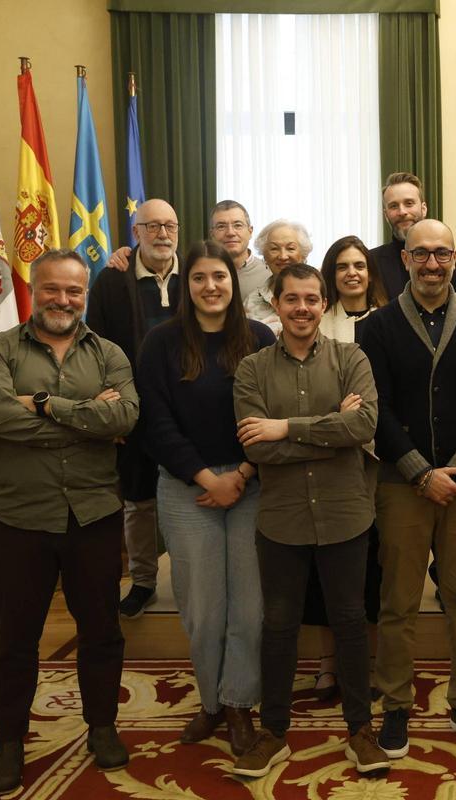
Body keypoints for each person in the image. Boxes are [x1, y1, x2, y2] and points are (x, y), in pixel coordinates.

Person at [0, 249, 140, 795]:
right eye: (52, 289)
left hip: (93, 513)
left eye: (74, 291)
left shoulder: (109, 353)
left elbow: (125, 416)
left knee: (102, 631)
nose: (63, 300)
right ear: (33, 290)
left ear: (85, 294)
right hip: (19, 516)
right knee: (13, 638)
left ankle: (102, 727)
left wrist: (43, 404)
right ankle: (9, 743)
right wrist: (88, 418)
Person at [231, 263, 388, 777]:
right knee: (278, 625)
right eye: (292, 299)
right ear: (275, 304)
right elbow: (257, 449)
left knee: (350, 622)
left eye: (311, 299)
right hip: (282, 519)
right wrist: (331, 430)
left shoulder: (351, 357)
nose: (302, 308)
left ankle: (360, 730)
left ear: (324, 304)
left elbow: (364, 425)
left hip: (345, 514)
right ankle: (273, 733)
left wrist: (284, 428)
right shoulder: (252, 369)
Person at [359, 219, 456, 760]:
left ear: (454, 259)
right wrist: (421, 473)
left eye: (442, 254)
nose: (431, 264)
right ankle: (396, 704)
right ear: (404, 259)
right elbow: (376, 410)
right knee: (398, 600)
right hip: (402, 484)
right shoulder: (375, 327)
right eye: (420, 253)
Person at [136, 241, 275, 758]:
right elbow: (155, 422)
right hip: (184, 488)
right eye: (199, 278)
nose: (211, 286)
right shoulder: (160, 342)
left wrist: (241, 473)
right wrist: (205, 478)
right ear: (186, 285)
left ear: (233, 282)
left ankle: (238, 704)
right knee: (203, 609)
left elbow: (272, 411)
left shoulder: (259, 338)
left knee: (249, 607)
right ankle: (211, 702)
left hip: (251, 484)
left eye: (219, 276)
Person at [88, 198, 181, 620]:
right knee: (138, 500)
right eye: (152, 226)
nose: (162, 234)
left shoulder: (196, 275)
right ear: (136, 232)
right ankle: (143, 581)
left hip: (186, 412)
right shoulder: (111, 280)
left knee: (190, 494)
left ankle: (189, 578)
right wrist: (115, 413)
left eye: (170, 226)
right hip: (133, 411)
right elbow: (97, 349)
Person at [305, 235, 389, 703]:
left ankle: (368, 662)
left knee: (370, 565)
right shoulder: (316, 322)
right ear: (330, 275)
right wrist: (338, 417)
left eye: (360, 265)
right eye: (342, 266)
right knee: (324, 566)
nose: (352, 273)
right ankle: (327, 664)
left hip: (376, 460)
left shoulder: (390, 320)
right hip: (326, 459)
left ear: (370, 273)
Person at [105, 200, 269, 299]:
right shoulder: (194, 271)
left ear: (250, 231)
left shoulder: (269, 274)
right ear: (211, 234)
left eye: (238, 225)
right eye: (221, 226)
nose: (230, 232)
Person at [372, 172, 456, 299]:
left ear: (423, 209)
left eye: (409, 203)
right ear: (386, 214)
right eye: (394, 206)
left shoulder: (455, 265)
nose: (402, 212)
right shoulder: (372, 263)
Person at [243, 219, 314, 333]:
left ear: (303, 254)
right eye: (274, 249)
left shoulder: (318, 295)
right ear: (264, 255)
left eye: (290, 248)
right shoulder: (252, 301)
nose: (283, 256)